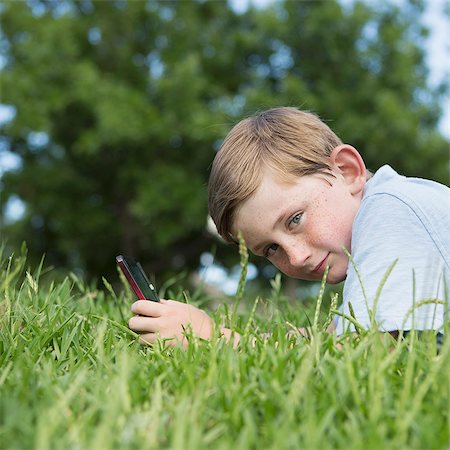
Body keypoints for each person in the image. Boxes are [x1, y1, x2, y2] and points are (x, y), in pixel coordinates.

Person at [128, 107, 449, 347]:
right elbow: (333, 338)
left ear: (348, 171)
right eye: (271, 249)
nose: (294, 258)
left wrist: (216, 340)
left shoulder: (392, 210)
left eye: (295, 219)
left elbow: (362, 353)